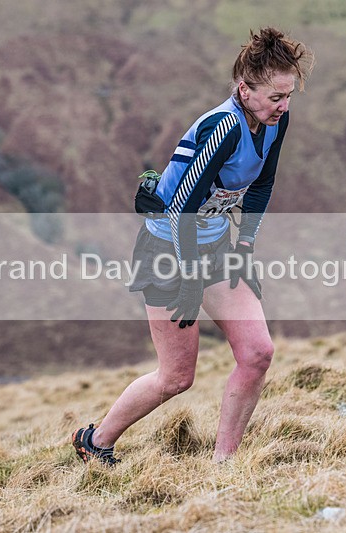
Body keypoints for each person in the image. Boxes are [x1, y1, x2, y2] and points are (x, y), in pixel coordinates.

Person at [73, 27, 313, 465]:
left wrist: (244, 246)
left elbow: (262, 184)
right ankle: (95, 440)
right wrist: (187, 281)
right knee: (176, 378)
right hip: (167, 251)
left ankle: (224, 465)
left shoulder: (275, 122)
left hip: (214, 246)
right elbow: (181, 207)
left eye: (288, 96)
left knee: (257, 354)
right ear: (244, 90)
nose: (283, 105)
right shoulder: (223, 128)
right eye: (276, 97)